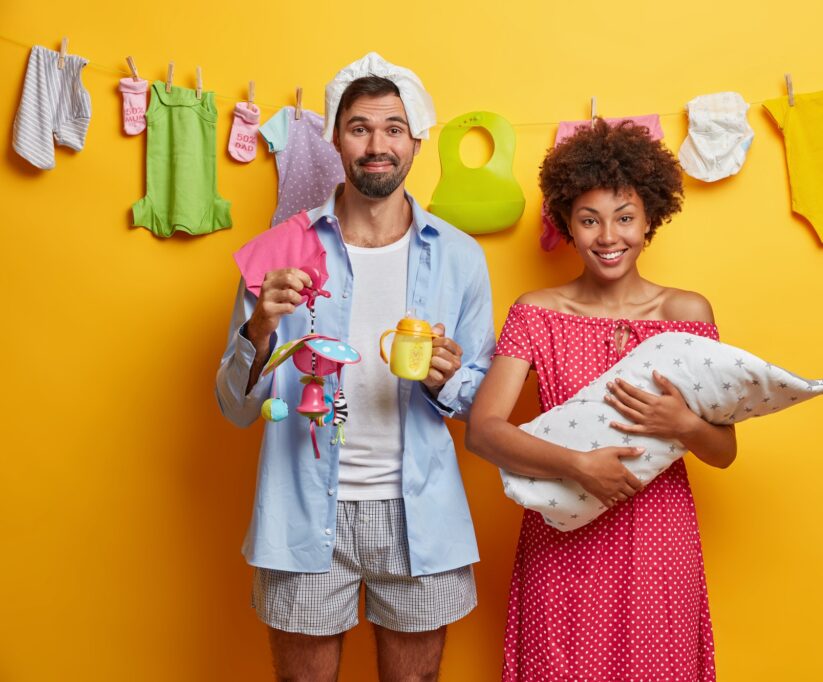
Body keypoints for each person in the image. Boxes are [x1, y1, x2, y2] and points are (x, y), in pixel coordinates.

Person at [215, 53, 494, 682]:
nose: (377, 144)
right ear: (336, 138)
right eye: (360, 128)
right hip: (301, 506)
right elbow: (233, 407)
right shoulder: (283, 247)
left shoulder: (459, 257)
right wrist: (258, 327)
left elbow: (484, 402)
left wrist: (450, 381)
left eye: (393, 128)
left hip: (419, 512)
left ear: (416, 141)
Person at [466, 119, 737, 681]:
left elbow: (723, 451)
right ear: (567, 222)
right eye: (589, 220)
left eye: (625, 218)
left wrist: (683, 421)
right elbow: (483, 430)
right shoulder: (536, 312)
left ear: (650, 221)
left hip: (657, 542)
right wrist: (576, 465)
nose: (608, 236)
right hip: (561, 535)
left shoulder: (687, 315)